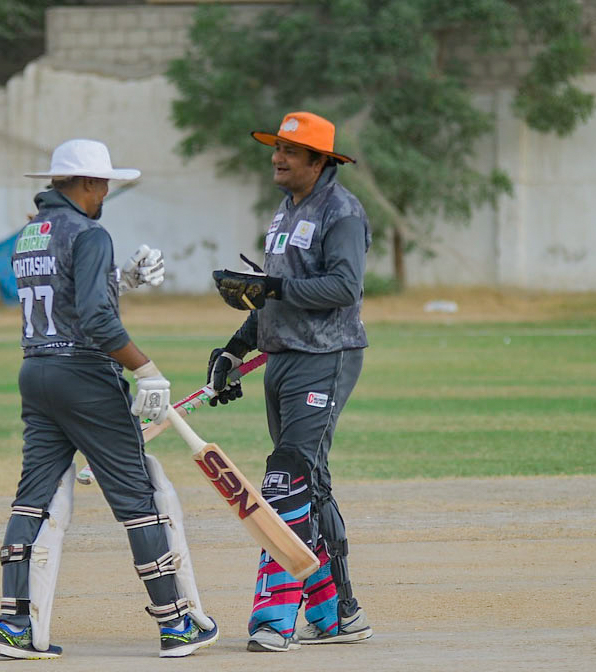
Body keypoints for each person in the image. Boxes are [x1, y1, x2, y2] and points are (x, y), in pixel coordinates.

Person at [0, 138, 218, 659]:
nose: (106, 193)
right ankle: (176, 623)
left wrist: (118, 279)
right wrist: (147, 370)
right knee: (138, 496)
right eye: (104, 184)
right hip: (86, 376)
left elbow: (65, 292)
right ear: (87, 183)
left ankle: (13, 625)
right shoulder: (91, 234)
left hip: (36, 371)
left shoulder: (29, 234)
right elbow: (95, 319)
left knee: (33, 496)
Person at [208, 112, 373, 652]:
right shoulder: (284, 211)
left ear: (319, 161)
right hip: (281, 358)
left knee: (287, 478)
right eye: (276, 148)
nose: (277, 158)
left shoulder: (342, 211)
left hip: (325, 357)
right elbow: (270, 295)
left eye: (290, 151)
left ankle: (274, 620)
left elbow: (344, 287)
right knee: (308, 481)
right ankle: (336, 614)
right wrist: (234, 349)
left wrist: (276, 287)